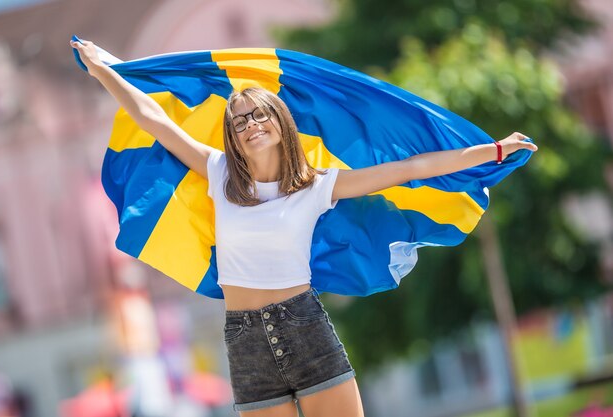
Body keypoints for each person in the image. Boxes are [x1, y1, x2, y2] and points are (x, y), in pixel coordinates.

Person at [70, 39, 537, 417]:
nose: (250, 125)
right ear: (232, 138)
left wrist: (492, 151)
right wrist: (101, 69)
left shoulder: (315, 187)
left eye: (259, 115)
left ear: (279, 122)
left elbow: (410, 167)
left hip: (305, 330)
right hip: (244, 341)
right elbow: (154, 118)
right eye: (238, 122)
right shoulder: (217, 172)